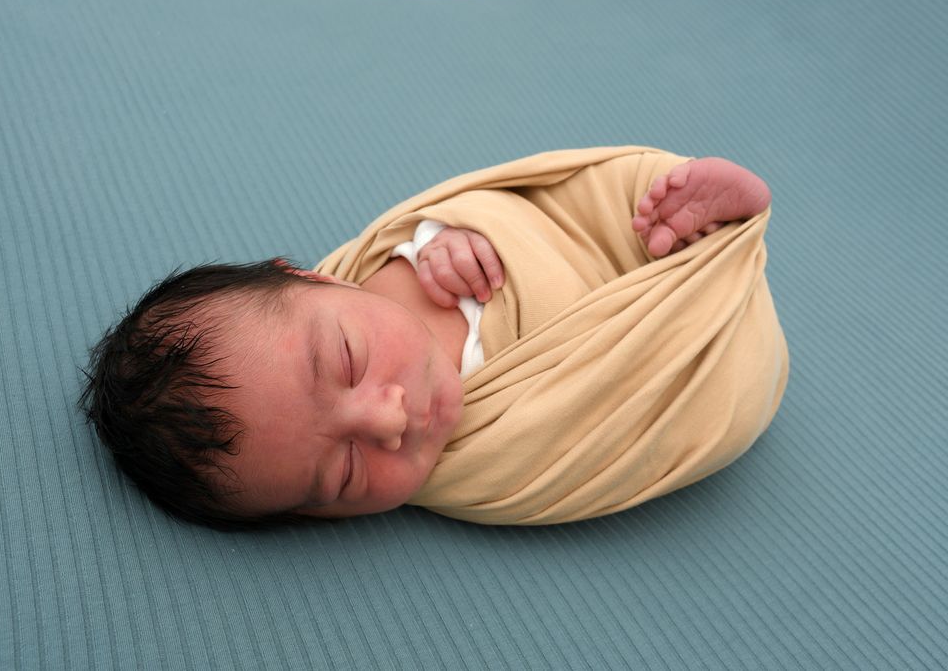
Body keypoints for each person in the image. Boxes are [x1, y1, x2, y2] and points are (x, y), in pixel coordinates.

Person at [81, 146, 788, 531]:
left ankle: (682, 219)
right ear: (313, 515)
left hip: (589, 242)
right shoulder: (483, 478)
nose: (389, 420)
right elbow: (600, 443)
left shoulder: (382, 266)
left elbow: (516, 209)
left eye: (348, 361)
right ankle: (707, 292)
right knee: (723, 394)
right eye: (345, 474)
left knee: (628, 201)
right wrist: (659, 347)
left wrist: (448, 237)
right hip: (661, 346)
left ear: (310, 278)